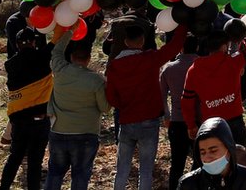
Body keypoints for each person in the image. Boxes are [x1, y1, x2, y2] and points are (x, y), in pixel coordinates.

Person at [107, 24, 188, 190]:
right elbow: (174, 47)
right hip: (149, 121)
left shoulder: (114, 66)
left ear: (125, 41)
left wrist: (124, 106)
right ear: (142, 41)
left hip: (127, 120)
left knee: (122, 169)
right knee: (146, 169)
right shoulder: (150, 59)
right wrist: (183, 24)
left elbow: (111, 98)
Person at [182, 24, 246, 146]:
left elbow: (186, 100)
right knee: (238, 159)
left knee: (213, 160)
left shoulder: (193, 70)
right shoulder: (234, 62)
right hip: (234, 121)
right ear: (225, 46)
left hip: (210, 124)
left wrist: (191, 125)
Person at [44, 30, 111, 190]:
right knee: (80, 175)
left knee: (55, 173)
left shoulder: (60, 71)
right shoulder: (96, 80)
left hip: (59, 130)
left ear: (72, 57)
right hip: (86, 133)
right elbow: (105, 108)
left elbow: (56, 51)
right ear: (88, 59)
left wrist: (69, 31)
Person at [0, 27, 55, 190]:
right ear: (34, 42)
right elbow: (55, 41)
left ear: (16, 44)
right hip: (40, 119)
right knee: (35, 162)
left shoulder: (10, 64)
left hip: (19, 120)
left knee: (14, 158)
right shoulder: (43, 57)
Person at [177, 117, 246, 190]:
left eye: (213, 151)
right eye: (203, 152)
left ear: (229, 149)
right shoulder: (189, 184)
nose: (207, 157)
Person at [160, 35, 200, 190]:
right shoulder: (201, 65)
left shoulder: (168, 68)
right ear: (196, 47)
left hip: (176, 121)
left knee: (177, 163)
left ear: (181, 48)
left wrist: (166, 116)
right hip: (199, 120)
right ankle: (192, 184)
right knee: (200, 160)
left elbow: (162, 96)